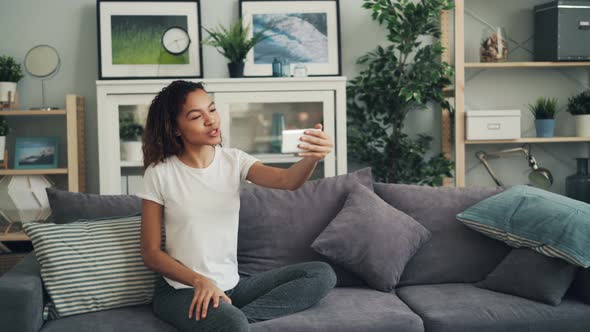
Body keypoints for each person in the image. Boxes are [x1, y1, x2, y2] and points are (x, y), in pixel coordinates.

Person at [137, 80, 337, 332]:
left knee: (321, 274)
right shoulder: (160, 173)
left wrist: (312, 158)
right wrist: (200, 281)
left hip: (232, 286)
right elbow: (151, 253)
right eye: (197, 116)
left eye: (212, 109)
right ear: (176, 129)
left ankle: (232, 320)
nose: (211, 120)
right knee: (232, 324)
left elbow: (288, 181)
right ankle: (230, 321)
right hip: (181, 291)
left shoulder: (234, 160)